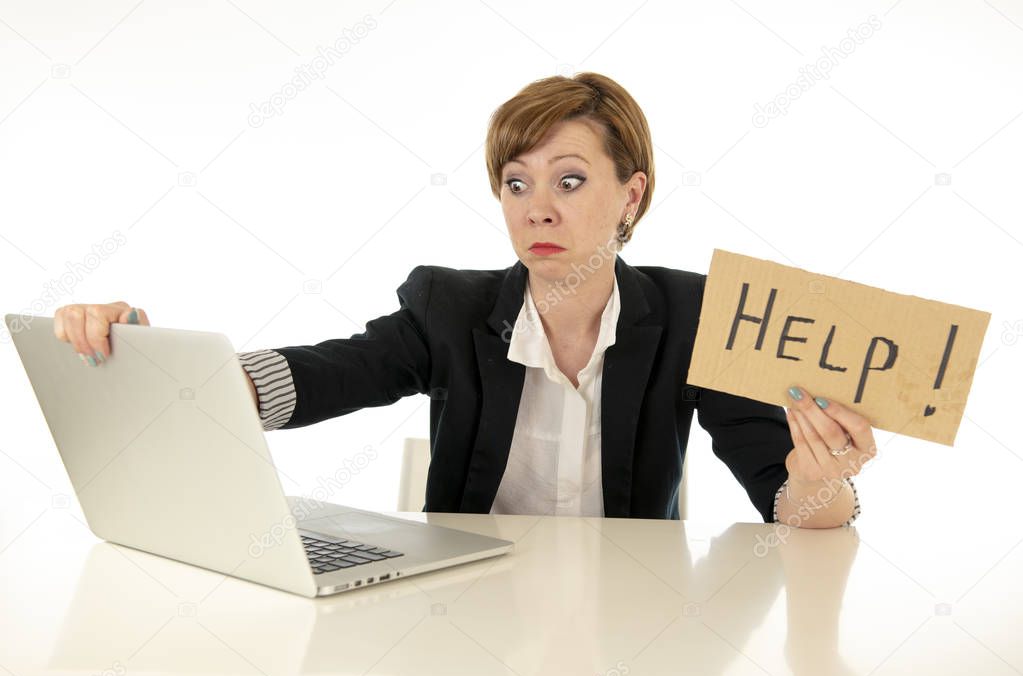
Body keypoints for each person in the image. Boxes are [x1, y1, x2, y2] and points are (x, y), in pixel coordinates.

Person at [52, 72, 873, 528]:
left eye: (571, 180)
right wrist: (169, 368)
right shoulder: (448, 308)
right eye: (516, 183)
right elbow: (334, 371)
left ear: (631, 195)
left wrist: (815, 476)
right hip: (463, 621)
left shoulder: (694, 314)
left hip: (637, 628)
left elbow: (796, 511)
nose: (536, 207)